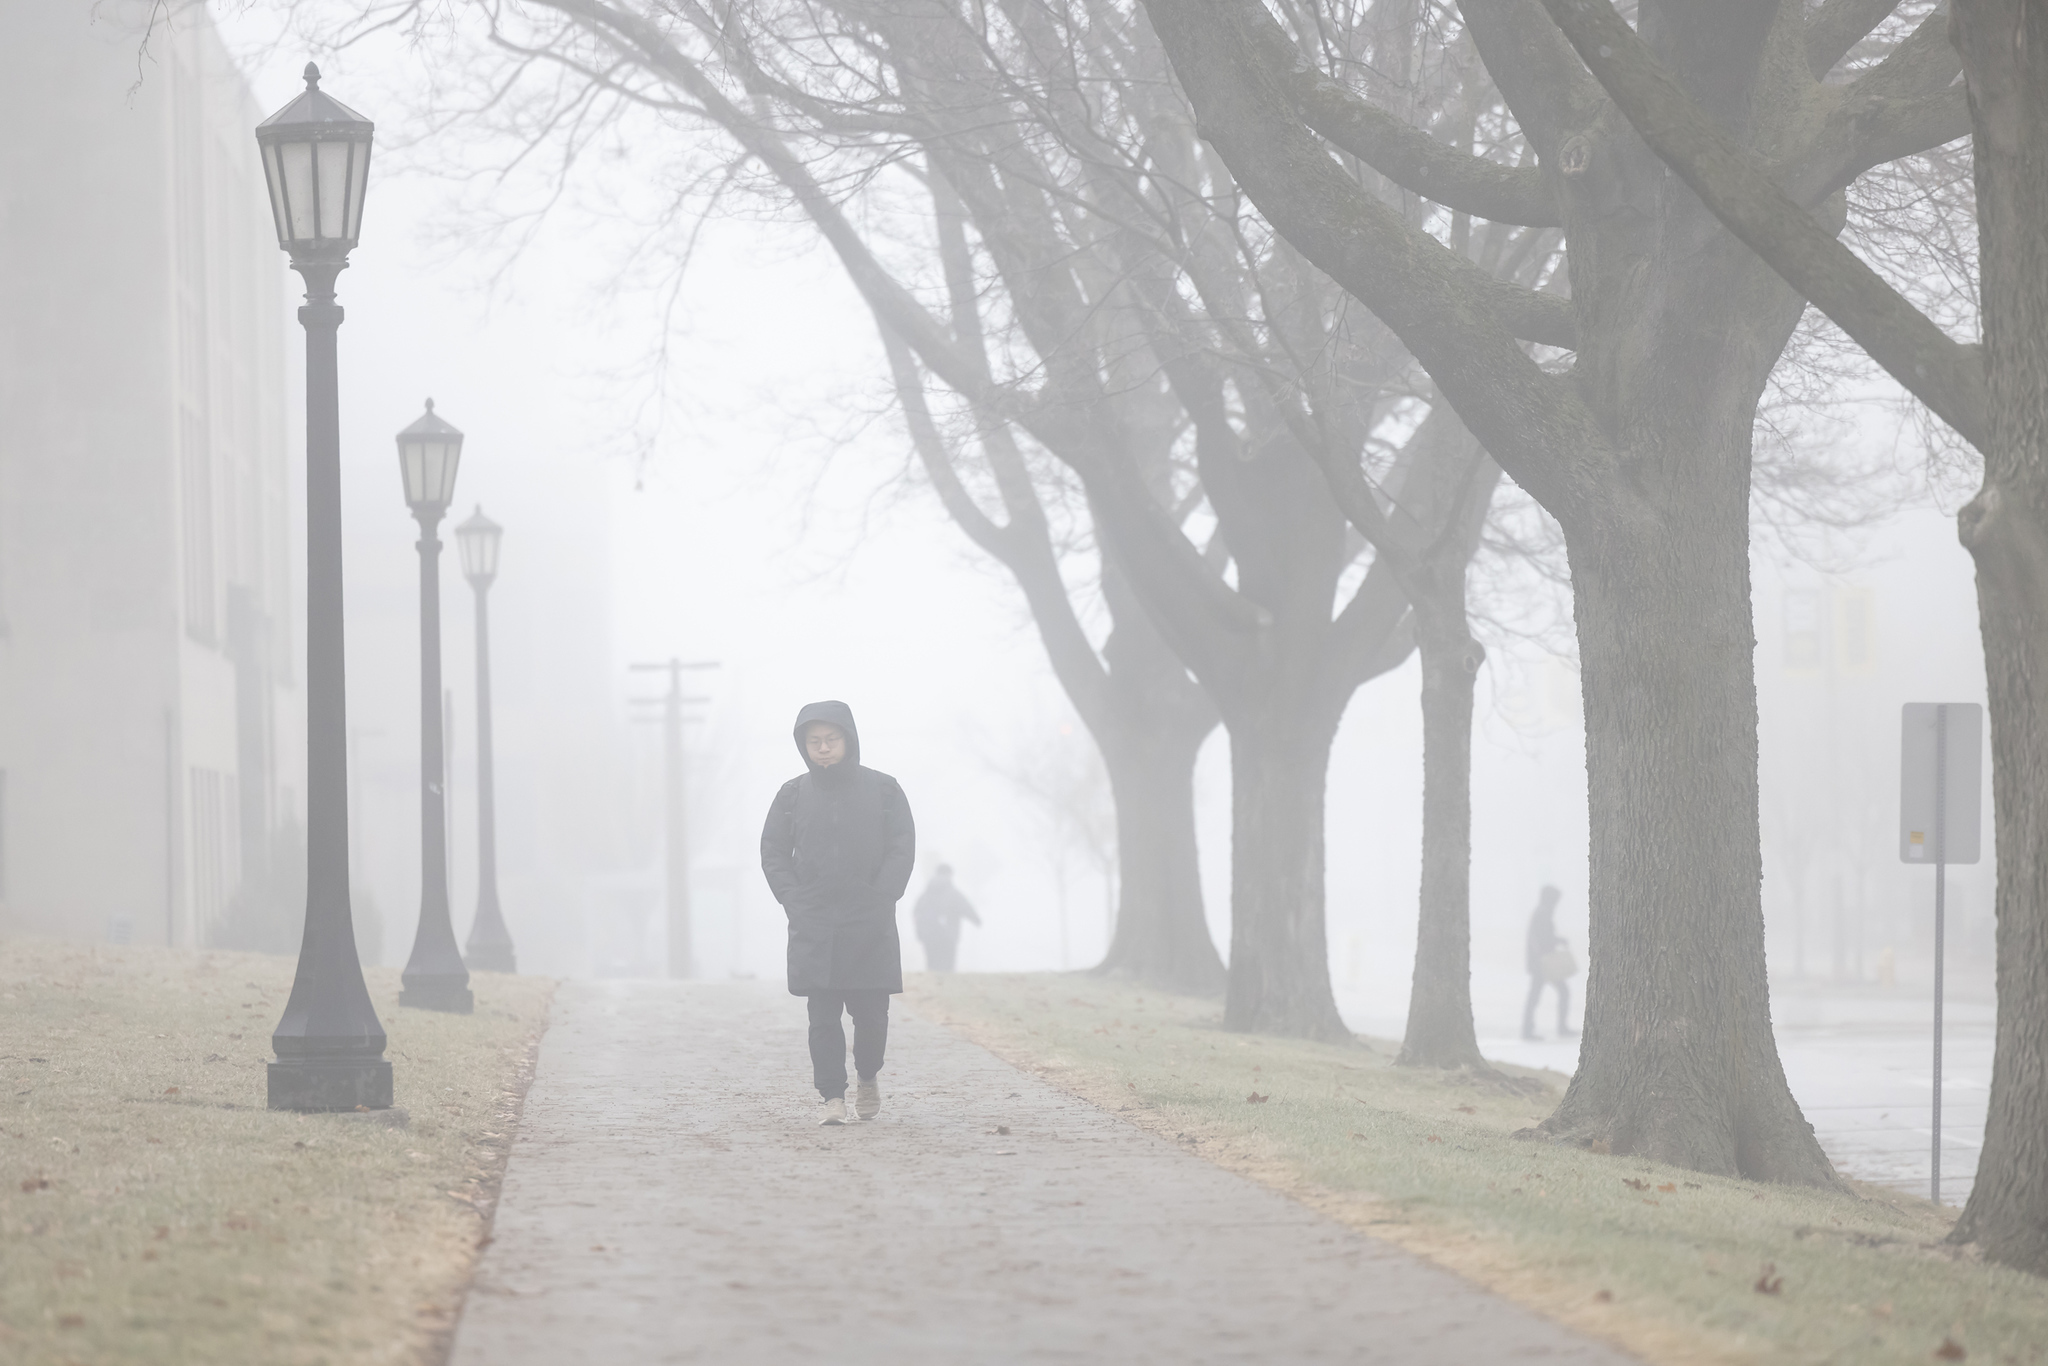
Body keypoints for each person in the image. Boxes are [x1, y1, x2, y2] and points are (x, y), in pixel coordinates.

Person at [759, 701, 915, 1126]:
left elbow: (902, 847)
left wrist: (882, 896)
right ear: (803, 746)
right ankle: (832, 1097)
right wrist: (794, 898)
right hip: (814, 923)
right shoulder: (792, 795)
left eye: (831, 740)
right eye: (814, 742)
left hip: (870, 921)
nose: (823, 749)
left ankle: (868, 1075)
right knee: (822, 1017)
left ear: (849, 739)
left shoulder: (885, 790)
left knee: (871, 1017)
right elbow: (773, 852)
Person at [1522, 885, 1578, 1041]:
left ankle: (1529, 1029)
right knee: (1547, 993)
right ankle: (1531, 1030)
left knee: (1537, 995)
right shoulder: (1542, 913)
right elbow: (1540, 938)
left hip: (1541, 961)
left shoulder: (1542, 912)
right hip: (1543, 963)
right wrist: (1556, 942)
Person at [912, 864, 981, 972]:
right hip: (948, 936)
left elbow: (916, 913)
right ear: (949, 875)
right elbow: (966, 907)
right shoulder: (953, 894)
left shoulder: (925, 895)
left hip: (929, 936)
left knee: (932, 966)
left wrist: (920, 933)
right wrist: (977, 920)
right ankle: (946, 987)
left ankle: (932, 986)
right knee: (947, 968)